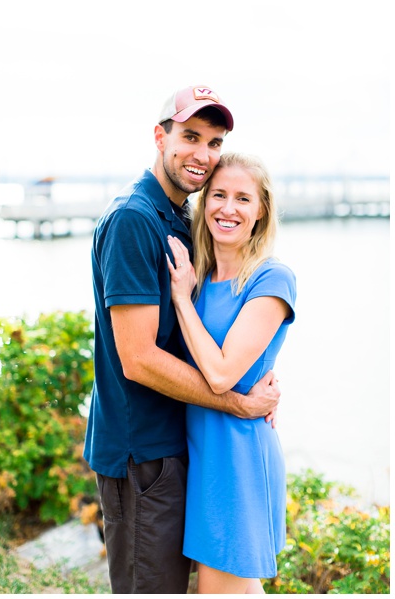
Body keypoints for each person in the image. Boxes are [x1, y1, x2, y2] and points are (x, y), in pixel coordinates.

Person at [83, 85, 281, 594]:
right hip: (143, 454)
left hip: (181, 446)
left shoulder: (182, 219)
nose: (203, 154)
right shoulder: (134, 219)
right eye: (190, 136)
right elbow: (139, 359)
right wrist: (238, 402)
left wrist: (260, 371)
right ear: (160, 136)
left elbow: (228, 319)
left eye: (214, 142)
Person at [166, 152, 295, 593]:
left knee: (224, 589)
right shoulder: (200, 276)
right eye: (218, 195)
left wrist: (181, 301)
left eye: (243, 198)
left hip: (238, 457)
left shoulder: (271, 278)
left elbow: (221, 375)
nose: (228, 208)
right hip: (202, 454)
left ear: (261, 211)